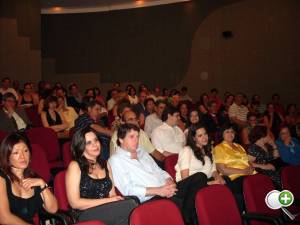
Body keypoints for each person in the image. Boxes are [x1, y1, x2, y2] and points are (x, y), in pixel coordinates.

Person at [109, 123, 208, 225]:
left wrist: (169, 181)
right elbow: (128, 190)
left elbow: (159, 171)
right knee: (185, 202)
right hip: (150, 198)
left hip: (165, 189)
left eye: (137, 136)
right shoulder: (116, 160)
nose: (136, 140)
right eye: (131, 137)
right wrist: (159, 191)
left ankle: (186, 216)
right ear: (121, 139)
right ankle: (187, 217)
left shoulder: (142, 152)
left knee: (200, 177)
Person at [66, 127, 137, 225]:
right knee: (129, 207)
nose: (95, 144)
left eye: (96, 140)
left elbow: (112, 194)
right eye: (89, 143)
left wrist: (112, 200)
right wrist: (107, 201)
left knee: (132, 203)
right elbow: (75, 203)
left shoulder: (105, 164)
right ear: (81, 147)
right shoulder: (75, 166)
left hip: (106, 209)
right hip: (84, 213)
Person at [0, 133, 58, 225]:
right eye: (16, 153)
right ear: (7, 156)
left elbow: (53, 209)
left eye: (26, 151)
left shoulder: (34, 178)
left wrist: (43, 184)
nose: (22, 156)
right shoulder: (1, 178)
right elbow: (4, 218)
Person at [213, 123, 256, 211]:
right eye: (227, 132)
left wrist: (251, 169)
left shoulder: (239, 146)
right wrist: (243, 172)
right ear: (222, 134)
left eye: (232, 132)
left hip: (249, 175)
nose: (230, 134)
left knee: (264, 181)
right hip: (234, 178)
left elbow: (248, 162)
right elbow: (222, 169)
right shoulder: (219, 148)